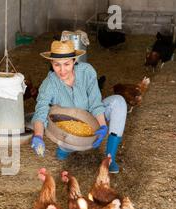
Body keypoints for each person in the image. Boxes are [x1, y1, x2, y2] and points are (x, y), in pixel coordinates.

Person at [31, 40, 127, 173]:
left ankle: (109, 159)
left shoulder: (86, 71)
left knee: (119, 102)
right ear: (51, 63)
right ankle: (65, 148)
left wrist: (103, 125)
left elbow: (95, 102)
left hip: (91, 117)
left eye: (67, 64)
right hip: (68, 129)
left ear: (74, 60)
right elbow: (40, 111)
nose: (62, 70)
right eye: (57, 65)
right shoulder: (49, 84)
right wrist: (38, 136)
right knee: (68, 145)